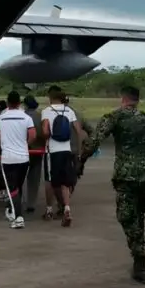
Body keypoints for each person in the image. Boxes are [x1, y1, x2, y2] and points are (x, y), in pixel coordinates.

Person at [80, 86, 145, 285]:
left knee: (127, 217)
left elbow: (94, 141)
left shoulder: (114, 117)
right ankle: (139, 254)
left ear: (123, 99)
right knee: (138, 215)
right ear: (137, 100)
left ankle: (140, 261)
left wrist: (80, 160)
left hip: (126, 177)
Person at [42, 86, 85, 227]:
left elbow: (45, 132)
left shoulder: (47, 111)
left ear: (51, 98)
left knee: (50, 180)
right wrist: (78, 151)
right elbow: (79, 132)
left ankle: (49, 209)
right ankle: (67, 208)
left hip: (52, 151)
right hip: (66, 150)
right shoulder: (69, 111)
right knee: (65, 182)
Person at [0, 91, 35, 229]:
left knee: (12, 187)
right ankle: (14, 210)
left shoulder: (1, 117)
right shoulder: (26, 118)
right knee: (18, 186)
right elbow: (32, 135)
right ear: (19, 103)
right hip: (23, 157)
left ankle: (18, 217)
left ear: (7, 103)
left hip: (8, 158)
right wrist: (25, 144)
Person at [22, 95, 55, 217]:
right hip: (37, 150)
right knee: (34, 178)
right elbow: (44, 133)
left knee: (18, 177)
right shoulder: (41, 115)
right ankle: (31, 203)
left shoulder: (22, 115)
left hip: (22, 150)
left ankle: (17, 201)